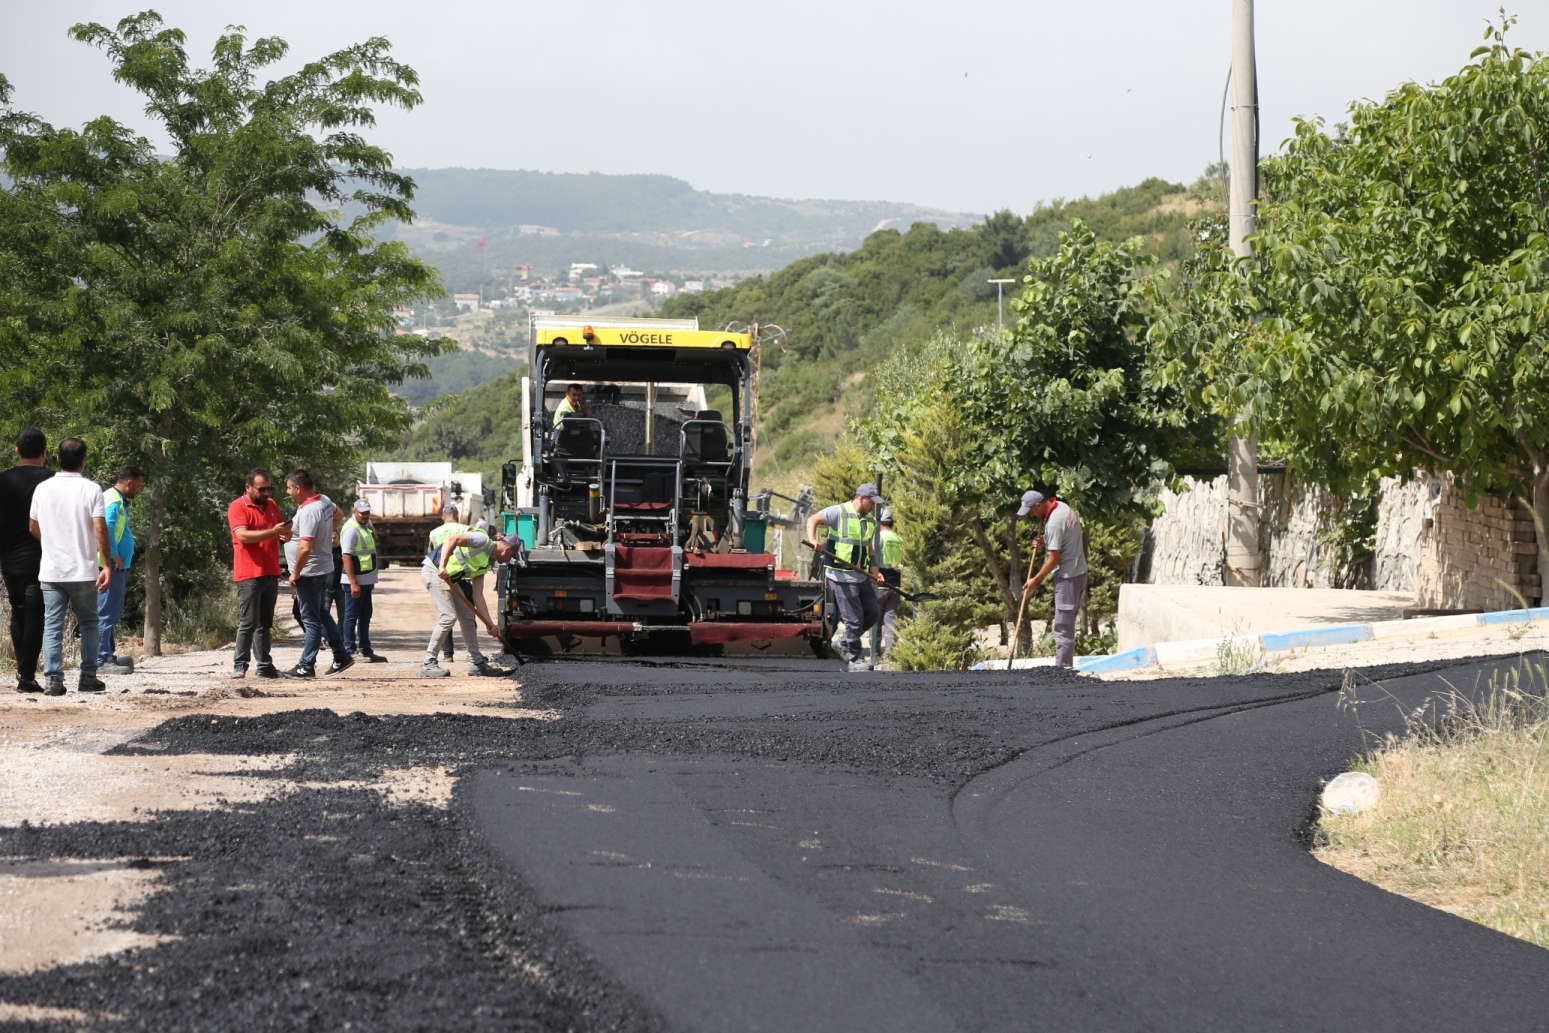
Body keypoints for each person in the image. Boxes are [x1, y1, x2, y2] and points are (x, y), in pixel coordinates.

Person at [28, 438, 112, 696]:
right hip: (82, 569)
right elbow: (99, 527)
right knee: (88, 621)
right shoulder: (92, 489)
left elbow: (32, 526)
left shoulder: (42, 488)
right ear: (84, 460)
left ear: (58, 459)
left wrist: (52, 543)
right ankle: (88, 676)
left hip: (52, 570)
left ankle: (53, 679)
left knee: (52, 623)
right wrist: (106, 564)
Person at [420, 504, 515, 678]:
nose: (509, 560)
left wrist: (490, 625)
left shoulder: (485, 563)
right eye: (511, 556)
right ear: (507, 549)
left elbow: (478, 597)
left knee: (468, 618)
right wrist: (442, 566)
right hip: (435, 572)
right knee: (448, 617)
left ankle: (477, 663)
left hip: (451, 579)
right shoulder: (482, 540)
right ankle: (428, 663)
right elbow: (451, 540)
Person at [805, 482, 886, 672]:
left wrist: (875, 570)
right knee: (854, 619)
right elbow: (812, 519)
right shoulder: (839, 512)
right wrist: (814, 540)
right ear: (861, 498)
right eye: (872, 502)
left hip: (861, 575)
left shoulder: (870, 522)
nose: (874, 506)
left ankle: (843, 642)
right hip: (841, 576)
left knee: (873, 612)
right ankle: (854, 659)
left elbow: (869, 549)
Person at [0, 428, 54, 692]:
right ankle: (26, 676)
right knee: (35, 615)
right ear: (45, 453)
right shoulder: (53, 481)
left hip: (8, 559)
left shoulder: (3, 480)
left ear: (17, 451)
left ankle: (24, 673)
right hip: (40, 557)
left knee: (18, 611)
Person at [283, 469, 351, 678]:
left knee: (310, 618)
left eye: (288, 488)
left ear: (297, 488)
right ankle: (341, 655)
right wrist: (326, 532)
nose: (288, 493)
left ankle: (307, 665)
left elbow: (304, 548)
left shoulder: (310, 510)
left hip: (310, 572)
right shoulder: (324, 501)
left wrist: (295, 573)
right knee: (321, 613)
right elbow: (339, 515)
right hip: (323, 568)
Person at [228, 468, 291, 679]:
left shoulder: (271, 505)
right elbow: (243, 536)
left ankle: (265, 666)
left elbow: (281, 531)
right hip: (249, 574)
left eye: (269, 489)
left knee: (265, 623)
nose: (266, 493)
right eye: (262, 489)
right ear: (248, 487)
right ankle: (240, 665)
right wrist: (274, 532)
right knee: (248, 621)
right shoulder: (238, 507)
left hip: (271, 571)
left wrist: (285, 536)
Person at [1018, 489, 1089, 669]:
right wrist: (1046, 543)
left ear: (1038, 505)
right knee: (1066, 623)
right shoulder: (1063, 508)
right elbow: (1064, 541)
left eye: (1032, 511)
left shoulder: (1053, 524)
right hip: (1079, 571)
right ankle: (1064, 666)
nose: (1032, 516)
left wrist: (1035, 579)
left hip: (1068, 578)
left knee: (1063, 626)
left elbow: (1054, 559)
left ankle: (1063, 670)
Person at [95, 466, 145, 676]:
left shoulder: (117, 499)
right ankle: (101, 658)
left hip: (115, 566)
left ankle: (108, 654)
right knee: (106, 612)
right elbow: (105, 525)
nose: (139, 491)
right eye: (139, 486)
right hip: (111, 567)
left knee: (111, 611)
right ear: (129, 483)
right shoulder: (114, 500)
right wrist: (112, 554)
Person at [341, 499, 386, 662]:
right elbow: (346, 557)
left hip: (365, 580)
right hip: (354, 582)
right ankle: (349, 649)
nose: (366, 516)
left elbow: (375, 537)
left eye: (368, 513)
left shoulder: (363, 525)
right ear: (354, 512)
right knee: (351, 616)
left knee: (366, 615)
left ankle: (365, 649)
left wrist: (370, 579)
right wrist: (354, 583)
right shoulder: (351, 530)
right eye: (362, 513)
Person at [877, 509, 904, 659]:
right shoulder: (899, 538)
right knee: (890, 621)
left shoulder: (878, 538)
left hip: (880, 583)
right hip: (896, 585)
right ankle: (889, 654)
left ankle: (875, 653)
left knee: (876, 620)